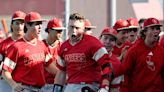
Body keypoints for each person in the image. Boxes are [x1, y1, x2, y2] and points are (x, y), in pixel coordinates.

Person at [53, 13, 113, 92]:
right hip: (70, 86)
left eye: (77, 28)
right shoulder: (64, 47)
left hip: (89, 85)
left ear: (83, 29)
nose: (74, 31)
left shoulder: (93, 43)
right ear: (68, 27)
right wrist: (56, 90)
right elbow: (61, 71)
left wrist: (104, 87)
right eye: (71, 27)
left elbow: (107, 66)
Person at [2, 11, 57, 92]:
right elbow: (5, 71)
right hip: (24, 88)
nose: (40, 27)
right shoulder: (16, 46)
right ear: (27, 25)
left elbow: (49, 66)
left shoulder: (42, 45)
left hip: (40, 89)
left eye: (41, 24)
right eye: (37, 24)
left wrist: (65, 76)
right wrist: (13, 85)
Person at [115, 17, 164, 92]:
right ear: (144, 32)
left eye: (157, 28)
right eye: (153, 28)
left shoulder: (161, 51)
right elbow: (125, 73)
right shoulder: (134, 51)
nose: (156, 31)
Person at [0, 10, 26, 92]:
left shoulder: (29, 43)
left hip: (25, 82)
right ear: (12, 25)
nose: (20, 26)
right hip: (6, 82)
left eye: (22, 24)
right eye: (17, 23)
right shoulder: (3, 44)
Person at [41, 18, 65, 92]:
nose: (60, 32)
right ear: (49, 30)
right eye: (58, 30)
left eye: (61, 30)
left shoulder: (63, 46)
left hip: (60, 84)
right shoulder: (41, 45)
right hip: (44, 85)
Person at [99, 27, 121, 92]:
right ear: (99, 39)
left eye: (111, 40)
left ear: (115, 43)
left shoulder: (117, 63)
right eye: (105, 38)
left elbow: (115, 89)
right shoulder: (90, 56)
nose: (108, 42)